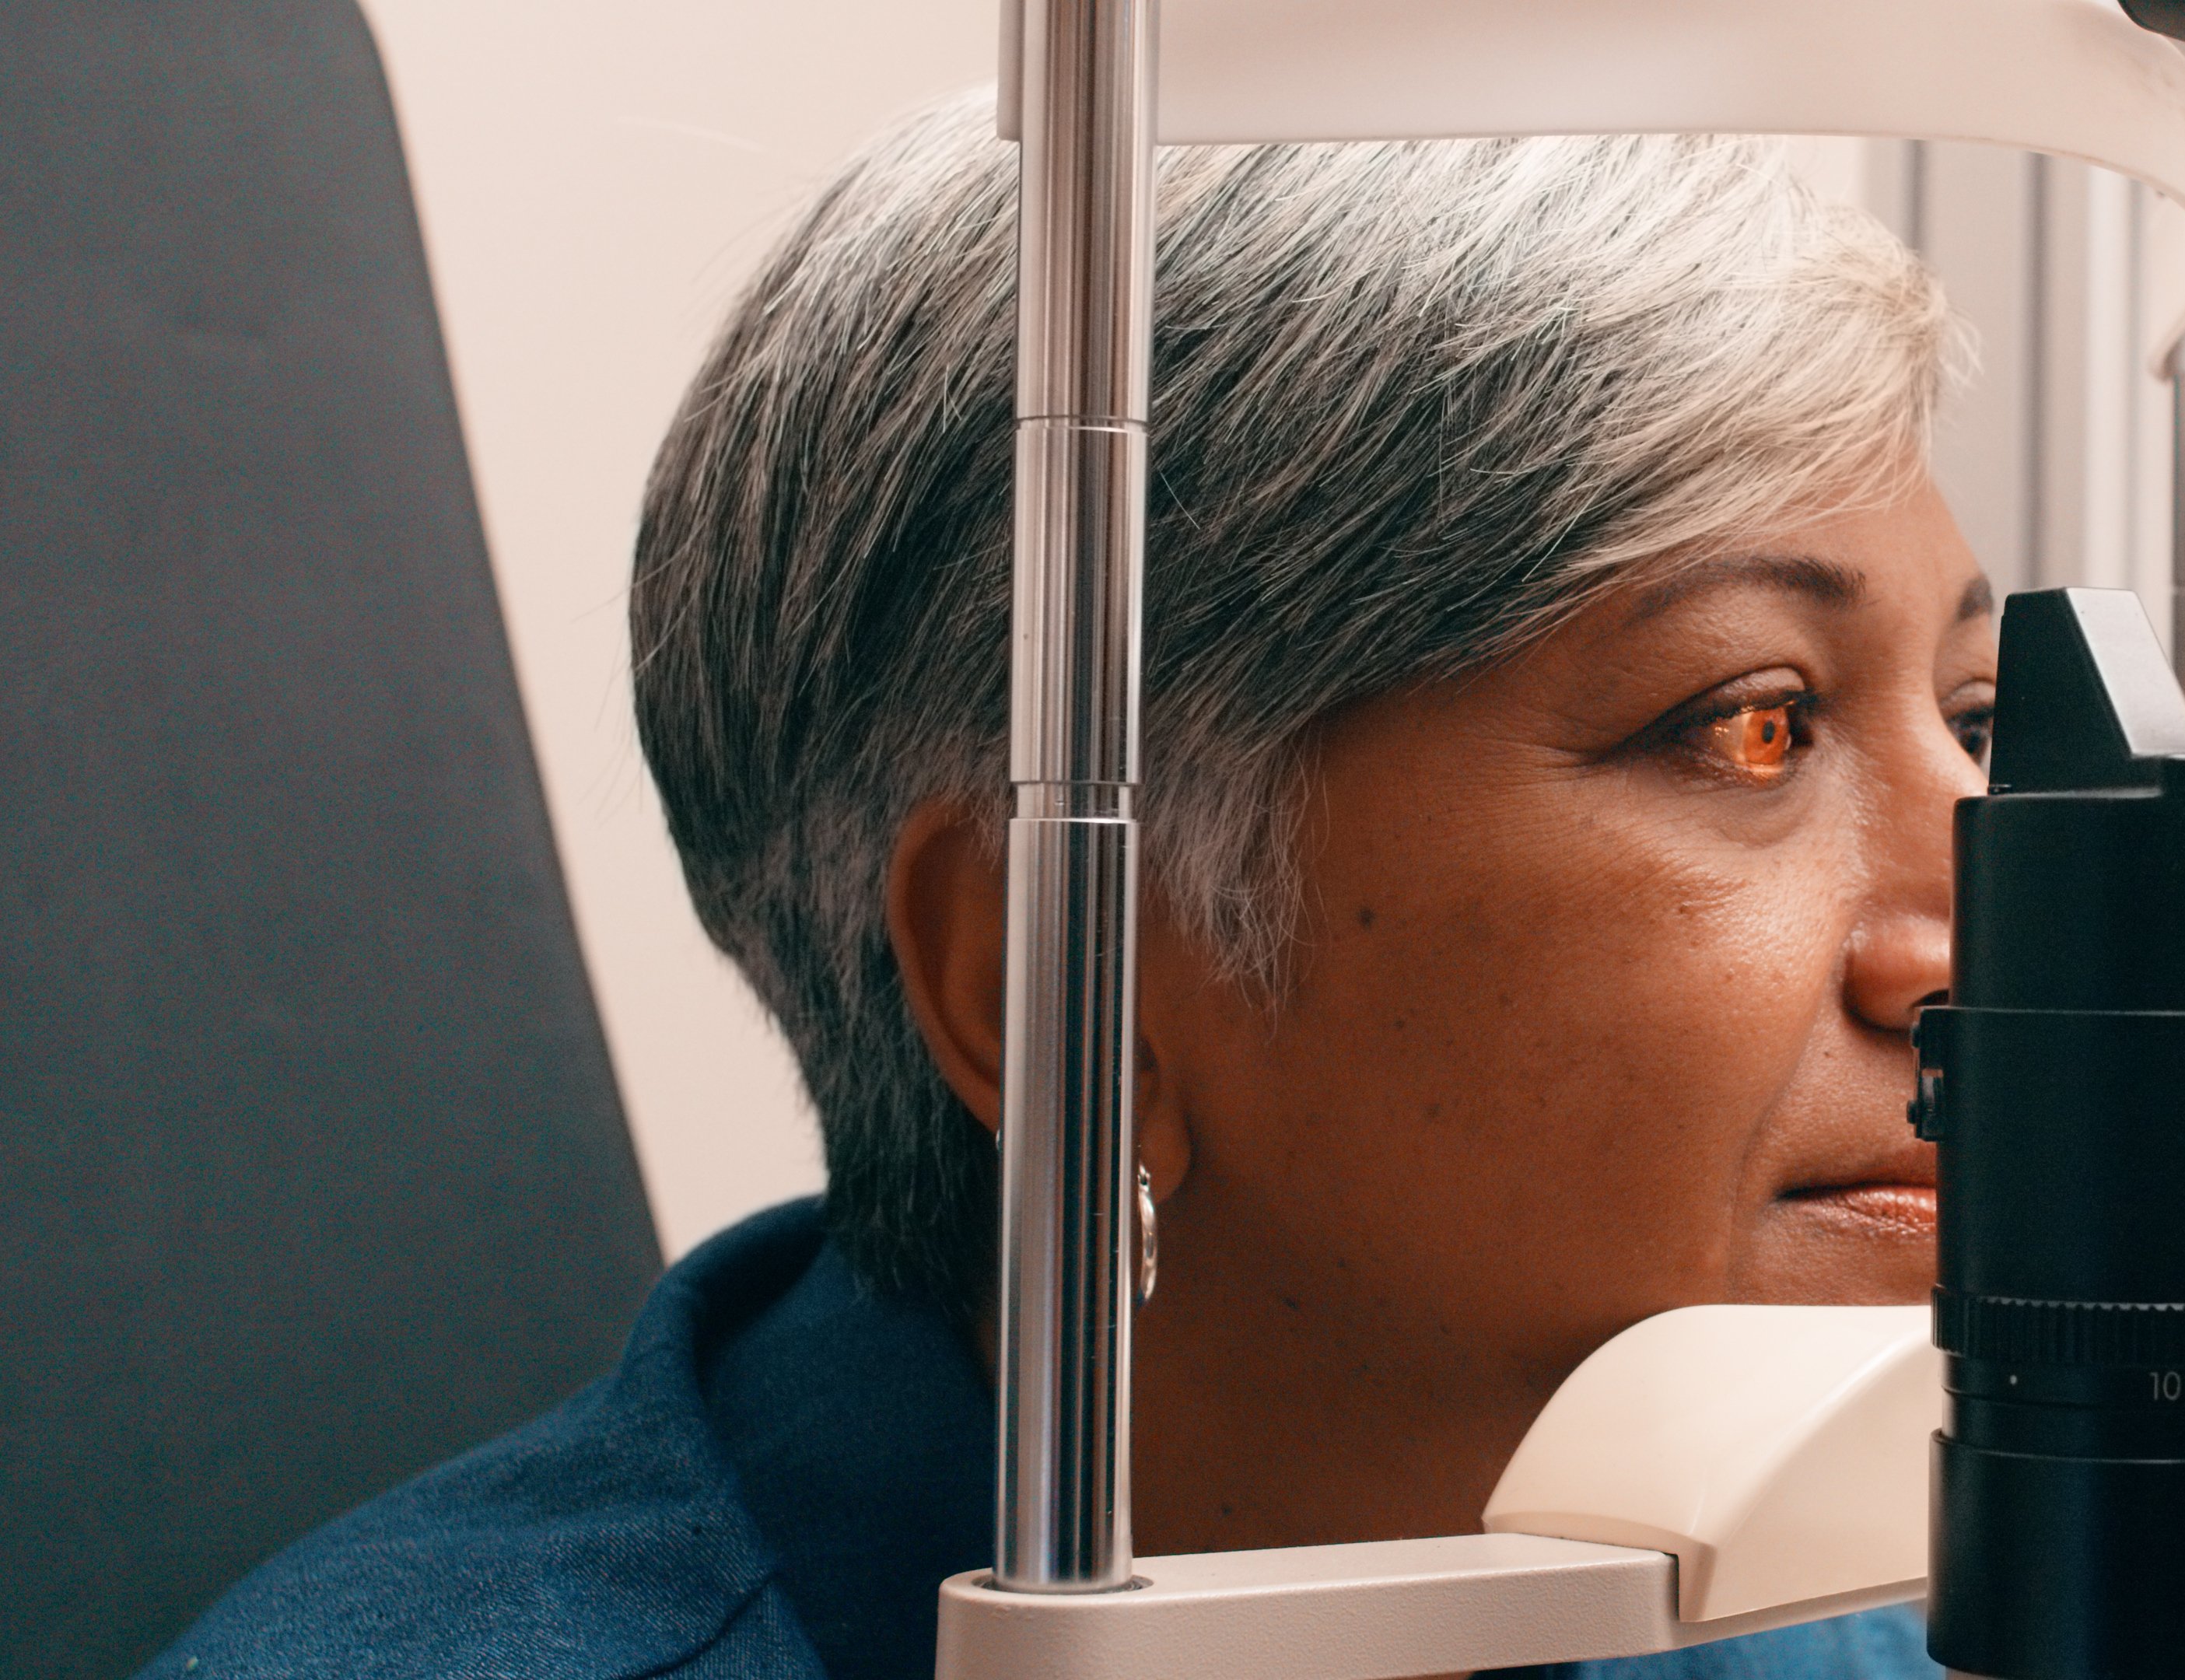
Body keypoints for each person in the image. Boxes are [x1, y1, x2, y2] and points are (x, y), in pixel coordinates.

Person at [146, 91, 1988, 1680]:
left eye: (1978, 715)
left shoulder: (1847, 1624)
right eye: (1749, 725)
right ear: (1060, 983)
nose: (1971, 946)